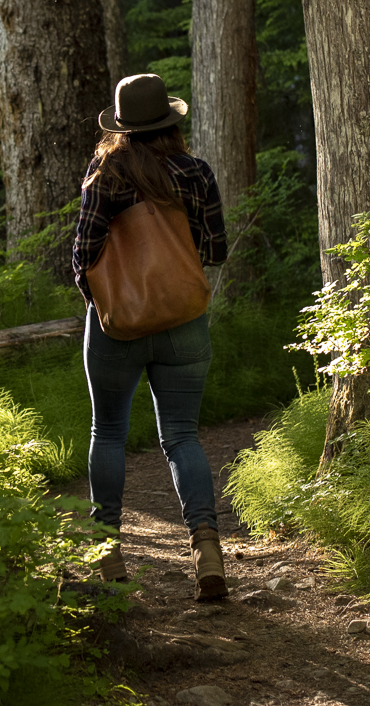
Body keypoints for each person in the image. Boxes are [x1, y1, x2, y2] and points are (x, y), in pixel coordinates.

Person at [71, 73, 229, 601]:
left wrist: (104, 303)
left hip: (118, 325)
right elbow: (216, 250)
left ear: (122, 126)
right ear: (168, 121)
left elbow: (82, 255)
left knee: (109, 433)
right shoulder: (196, 172)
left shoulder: (106, 172)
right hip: (184, 322)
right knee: (182, 436)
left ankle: (108, 552)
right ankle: (206, 549)